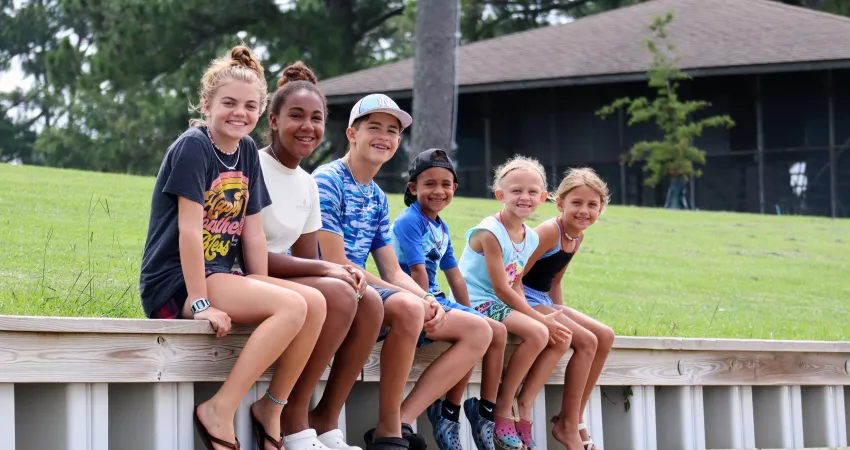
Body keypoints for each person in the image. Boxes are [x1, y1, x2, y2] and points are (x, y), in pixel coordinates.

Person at [139, 45, 326, 450]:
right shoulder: (194, 147)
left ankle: (271, 408)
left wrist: (262, 283)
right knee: (293, 306)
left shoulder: (245, 153)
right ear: (207, 104)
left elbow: (252, 232)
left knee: (315, 304)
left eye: (249, 105)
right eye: (228, 103)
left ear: (261, 112)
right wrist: (202, 303)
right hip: (176, 282)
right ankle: (220, 409)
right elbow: (190, 232)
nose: (239, 113)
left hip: (221, 275)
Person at [312, 94, 492, 450]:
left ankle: (400, 422)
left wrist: (425, 295)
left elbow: (391, 270)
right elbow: (338, 262)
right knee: (408, 307)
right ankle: (390, 430)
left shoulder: (377, 196)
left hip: (362, 286)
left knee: (479, 329)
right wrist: (414, 298)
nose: (384, 136)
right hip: (328, 283)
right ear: (352, 133)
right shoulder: (327, 181)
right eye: (374, 127)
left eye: (392, 131)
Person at [256, 61, 382, 450]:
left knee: (371, 302)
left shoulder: (307, 184)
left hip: (285, 278)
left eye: (316, 118)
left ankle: (324, 420)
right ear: (273, 120)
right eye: (296, 116)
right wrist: (333, 268)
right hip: (250, 276)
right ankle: (293, 417)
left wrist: (336, 270)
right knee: (342, 291)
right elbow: (254, 256)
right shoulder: (253, 166)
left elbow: (305, 256)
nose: (307, 127)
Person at [390, 148, 508, 450]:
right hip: (414, 298)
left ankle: (474, 411)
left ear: (455, 188)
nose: (438, 191)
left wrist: (469, 312)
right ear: (413, 188)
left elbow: (454, 275)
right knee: (478, 329)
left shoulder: (440, 227)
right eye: (429, 184)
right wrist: (441, 312)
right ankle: (436, 413)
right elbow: (417, 273)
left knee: (498, 331)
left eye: (446, 184)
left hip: (437, 297)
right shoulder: (410, 222)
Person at [457, 156, 572, 450]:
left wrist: (538, 315)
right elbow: (500, 287)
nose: (525, 197)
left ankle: (523, 404)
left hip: (503, 302)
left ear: (544, 198)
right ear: (500, 195)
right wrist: (537, 318)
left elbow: (516, 282)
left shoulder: (530, 237)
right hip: (478, 302)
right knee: (538, 331)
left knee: (558, 335)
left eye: (533, 192)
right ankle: (502, 408)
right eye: (516, 191)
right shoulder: (490, 232)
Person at [519, 168, 616, 450]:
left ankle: (574, 417)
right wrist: (542, 315)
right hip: (520, 297)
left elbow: (555, 280)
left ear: (601, 208)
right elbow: (513, 275)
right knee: (586, 341)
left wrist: (561, 312)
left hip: (542, 298)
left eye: (592, 205)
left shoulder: (577, 237)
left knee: (605, 335)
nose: (584, 211)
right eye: (576, 203)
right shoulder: (550, 232)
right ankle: (568, 426)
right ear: (559, 203)